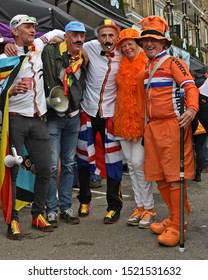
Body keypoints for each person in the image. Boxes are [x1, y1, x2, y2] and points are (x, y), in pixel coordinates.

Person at [135, 15, 199, 246]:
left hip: (173, 126)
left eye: (154, 40)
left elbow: (190, 86)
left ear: (163, 43)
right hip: (152, 128)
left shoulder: (173, 62)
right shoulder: (146, 66)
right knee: (159, 176)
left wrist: (191, 110)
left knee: (174, 178)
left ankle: (178, 225)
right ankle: (172, 218)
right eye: (146, 40)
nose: (149, 44)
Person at [0, 14, 65, 240]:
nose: (32, 30)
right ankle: (13, 219)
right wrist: (10, 91)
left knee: (46, 169)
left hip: (38, 118)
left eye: (34, 26)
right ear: (15, 31)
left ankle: (38, 214)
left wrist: (69, 42)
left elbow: (56, 34)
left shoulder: (37, 45)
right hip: (15, 119)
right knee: (13, 171)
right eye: (27, 26)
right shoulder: (4, 58)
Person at [76, 19, 123, 224]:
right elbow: (61, 37)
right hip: (88, 111)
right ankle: (84, 200)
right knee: (83, 157)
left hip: (111, 115)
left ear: (117, 37)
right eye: (103, 36)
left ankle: (114, 206)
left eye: (111, 35)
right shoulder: (89, 47)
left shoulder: (126, 53)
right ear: (97, 38)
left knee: (114, 161)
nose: (107, 40)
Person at [41, 21, 87, 227]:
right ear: (66, 36)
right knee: (52, 166)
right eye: (74, 35)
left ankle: (65, 207)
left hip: (74, 116)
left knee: (68, 164)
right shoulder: (51, 51)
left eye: (82, 36)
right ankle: (51, 209)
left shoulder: (84, 58)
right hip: (54, 116)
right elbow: (31, 45)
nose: (79, 39)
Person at [114, 28, 155, 228]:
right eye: (124, 45)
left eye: (131, 43)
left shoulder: (147, 63)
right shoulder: (119, 65)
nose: (128, 47)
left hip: (141, 121)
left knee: (139, 164)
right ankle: (139, 206)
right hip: (122, 121)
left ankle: (149, 208)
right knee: (130, 165)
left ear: (137, 44)